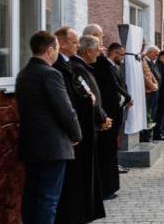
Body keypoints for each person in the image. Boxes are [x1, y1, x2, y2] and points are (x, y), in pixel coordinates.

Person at [17, 31, 82, 224]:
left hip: (30, 144)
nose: (57, 53)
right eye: (57, 49)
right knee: (49, 198)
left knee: (31, 195)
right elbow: (65, 110)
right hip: (52, 146)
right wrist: (76, 134)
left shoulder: (23, 73)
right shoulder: (51, 74)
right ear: (50, 50)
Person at [56, 34, 109, 223]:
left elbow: (91, 95)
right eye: (74, 42)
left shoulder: (75, 66)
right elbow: (83, 97)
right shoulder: (73, 67)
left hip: (87, 124)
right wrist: (100, 116)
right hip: (81, 127)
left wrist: (101, 114)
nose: (77, 46)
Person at [93, 42, 132, 200]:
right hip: (108, 115)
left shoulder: (112, 67)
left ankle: (110, 186)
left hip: (115, 113)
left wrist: (126, 98)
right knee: (106, 151)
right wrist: (126, 98)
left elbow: (120, 86)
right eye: (121, 55)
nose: (122, 58)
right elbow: (112, 89)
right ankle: (106, 187)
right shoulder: (104, 67)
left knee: (111, 150)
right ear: (113, 53)